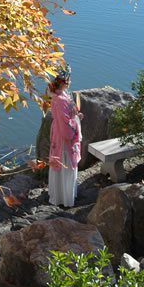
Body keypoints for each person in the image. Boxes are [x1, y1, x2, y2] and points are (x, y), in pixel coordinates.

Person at [47, 65, 83, 207]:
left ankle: (60, 194)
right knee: (65, 163)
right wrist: (76, 121)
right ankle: (64, 198)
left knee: (60, 164)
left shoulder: (59, 95)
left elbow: (66, 118)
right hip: (63, 137)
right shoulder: (61, 100)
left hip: (58, 131)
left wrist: (75, 116)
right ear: (64, 80)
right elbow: (66, 127)